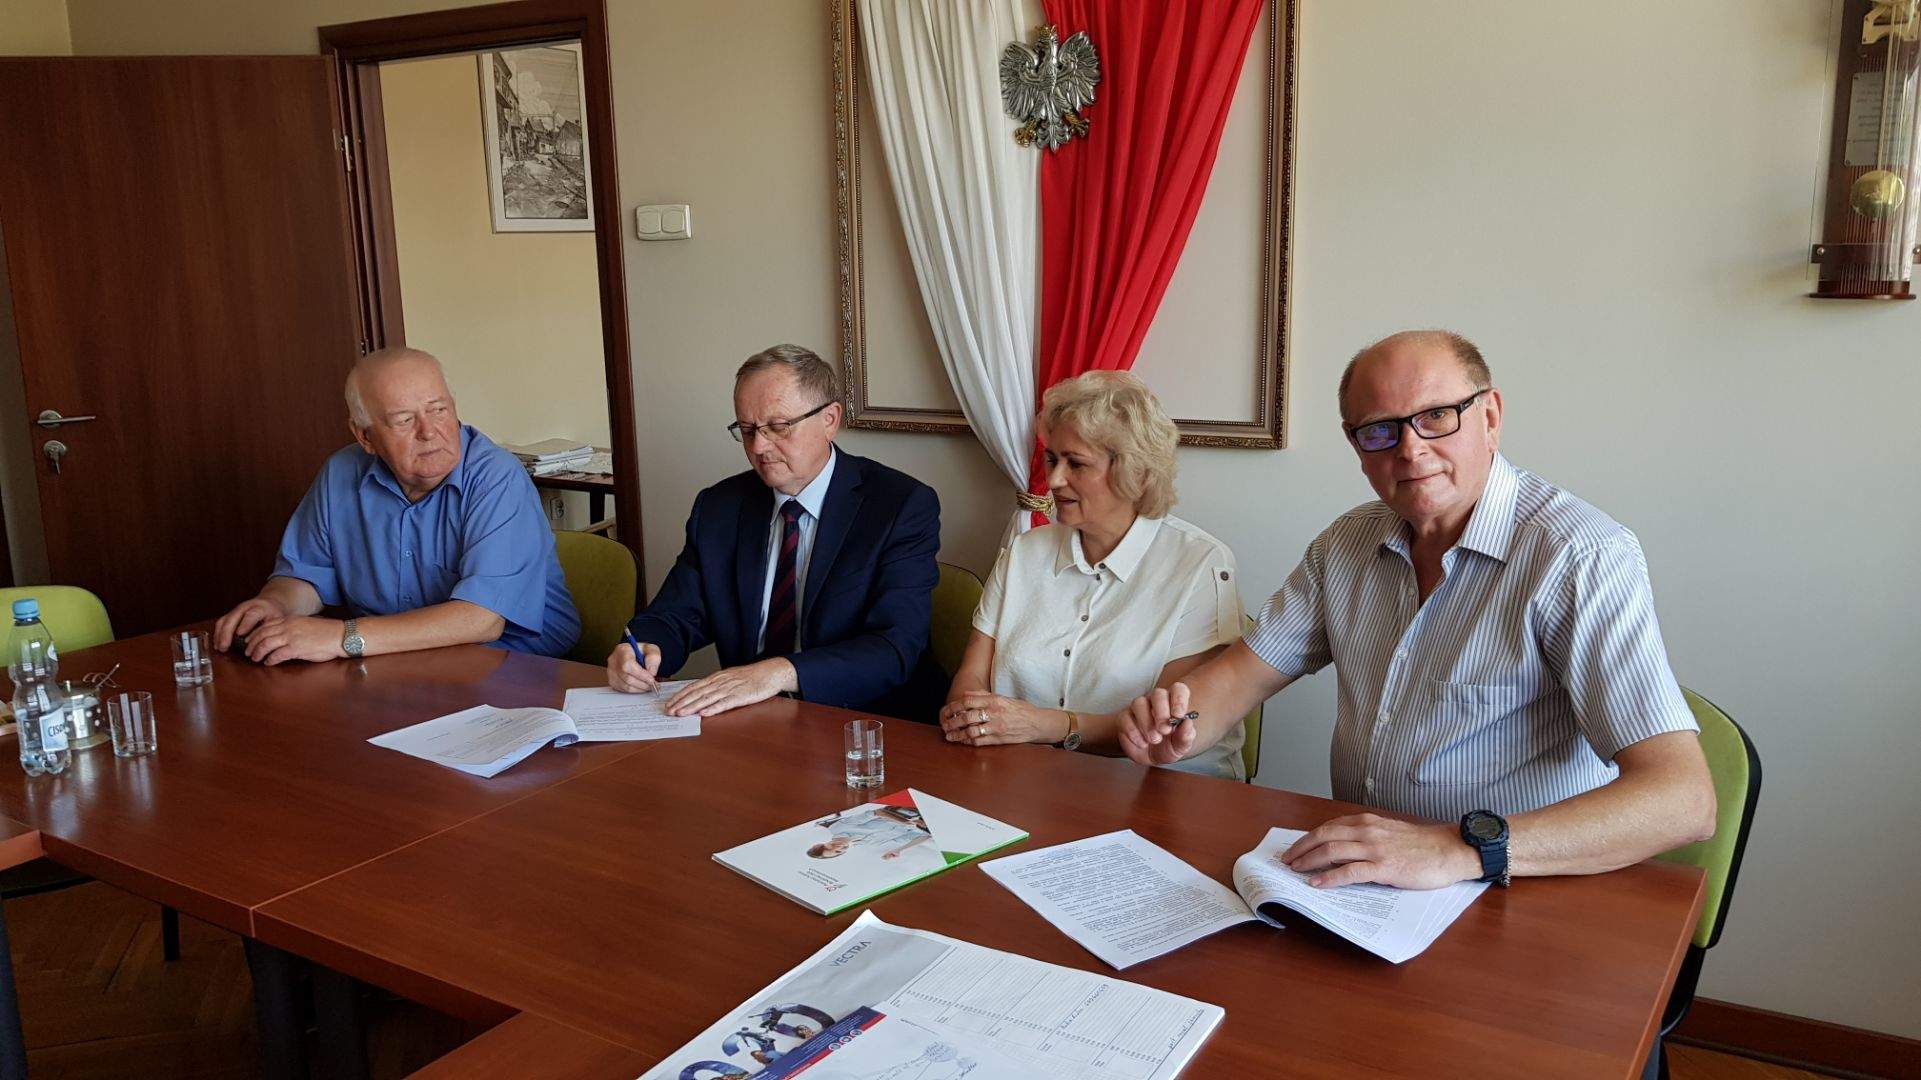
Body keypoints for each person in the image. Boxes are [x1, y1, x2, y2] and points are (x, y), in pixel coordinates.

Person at [1118, 330, 1716, 889]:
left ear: (1490, 417)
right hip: (1369, 881)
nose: (1410, 449)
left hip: (1518, 882)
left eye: (1436, 416)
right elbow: (1238, 679)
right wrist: (1175, 726)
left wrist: (1456, 849)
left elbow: (1683, 801)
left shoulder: (1579, 554)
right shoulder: (1346, 544)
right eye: (1380, 429)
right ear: (1356, 445)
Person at [938, 371, 1246, 778]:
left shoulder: (1199, 563)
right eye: (1052, 459)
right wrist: (970, 716)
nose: (1054, 480)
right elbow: (972, 675)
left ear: (1134, 472)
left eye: (1077, 464)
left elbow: (1164, 729)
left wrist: (1043, 725)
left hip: (1159, 787)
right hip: (1025, 779)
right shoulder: (1025, 551)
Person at [608, 344, 944, 718]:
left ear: (830, 419)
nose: (759, 446)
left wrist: (778, 672)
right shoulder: (719, 507)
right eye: (747, 429)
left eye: (779, 427)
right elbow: (675, 614)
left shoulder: (899, 506)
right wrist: (641, 648)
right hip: (756, 720)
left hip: (866, 721)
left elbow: (894, 647)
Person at [214, 347, 579, 663]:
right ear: (365, 436)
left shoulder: (496, 476)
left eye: (439, 410)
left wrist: (342, 637)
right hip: (391, 657)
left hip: (510, 661)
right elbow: (306, 575)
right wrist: (276, 604)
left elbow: (482, 620)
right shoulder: (341, 473)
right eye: (404, 420)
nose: (429, 431)